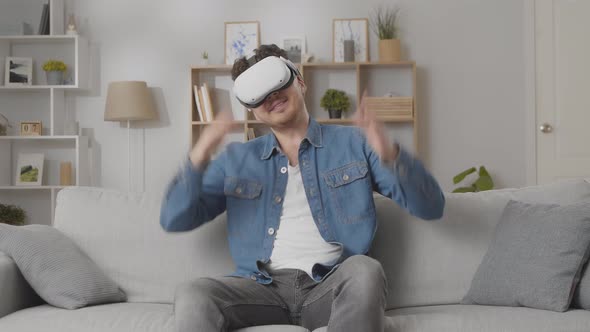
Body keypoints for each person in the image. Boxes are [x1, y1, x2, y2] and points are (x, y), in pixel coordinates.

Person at [160, 44, 445, 332]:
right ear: (254, 111)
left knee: (365, 270)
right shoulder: (235, 160)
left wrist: (391, 156)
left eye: (277, 85)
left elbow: (432, 206)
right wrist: (200, 154)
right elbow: (174, 218)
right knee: (193, 293)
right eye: (260, 95)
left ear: (301, 82)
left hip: (330, 286)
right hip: (260, 291)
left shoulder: (355, 144)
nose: (271, 97)